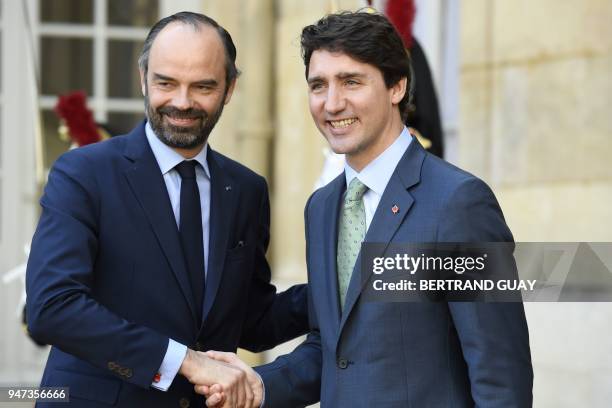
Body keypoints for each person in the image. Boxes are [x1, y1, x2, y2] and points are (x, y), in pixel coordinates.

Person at [203, 11, 533, 407]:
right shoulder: (321, 208)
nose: (332, 103)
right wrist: (258, 385)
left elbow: (501, 375)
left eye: (351, 82)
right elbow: (333, 346)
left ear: (397, 86)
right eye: (318, 85)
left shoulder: (460, 202)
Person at [25, 11, 307, 408]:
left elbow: (252, 319)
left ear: (229, 88)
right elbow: (53, 308)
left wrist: (341, 289)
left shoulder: (247, 189)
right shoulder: (84, 173)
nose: (182, 102)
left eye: (203, 86)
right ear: (143, 78)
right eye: (166, 83)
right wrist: (186, 363)